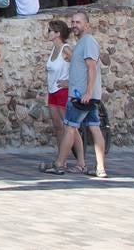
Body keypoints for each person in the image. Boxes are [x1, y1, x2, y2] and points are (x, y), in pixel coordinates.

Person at [44, 10, 107, 178]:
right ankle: (100, 168)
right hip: (84, 94)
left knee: (70, 128)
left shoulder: (88, 42)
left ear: (87, 25)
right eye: (72, 22)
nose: (74, 25)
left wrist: (87, 92)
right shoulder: (81, 43)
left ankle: (59, 164)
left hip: (81, 96)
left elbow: (91, 68)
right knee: (94, 127)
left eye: (78, 22)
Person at [44, 19, 85, 173]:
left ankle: (81, 161)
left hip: (62, 91)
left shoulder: (66, 49)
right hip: (52, 91)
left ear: (57, 34)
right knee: (58, 127)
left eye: (50, 31)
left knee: (71, 127)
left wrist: (70, 82)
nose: (47, 33)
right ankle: (61, 159)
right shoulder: (53, 50)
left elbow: (80, 65)